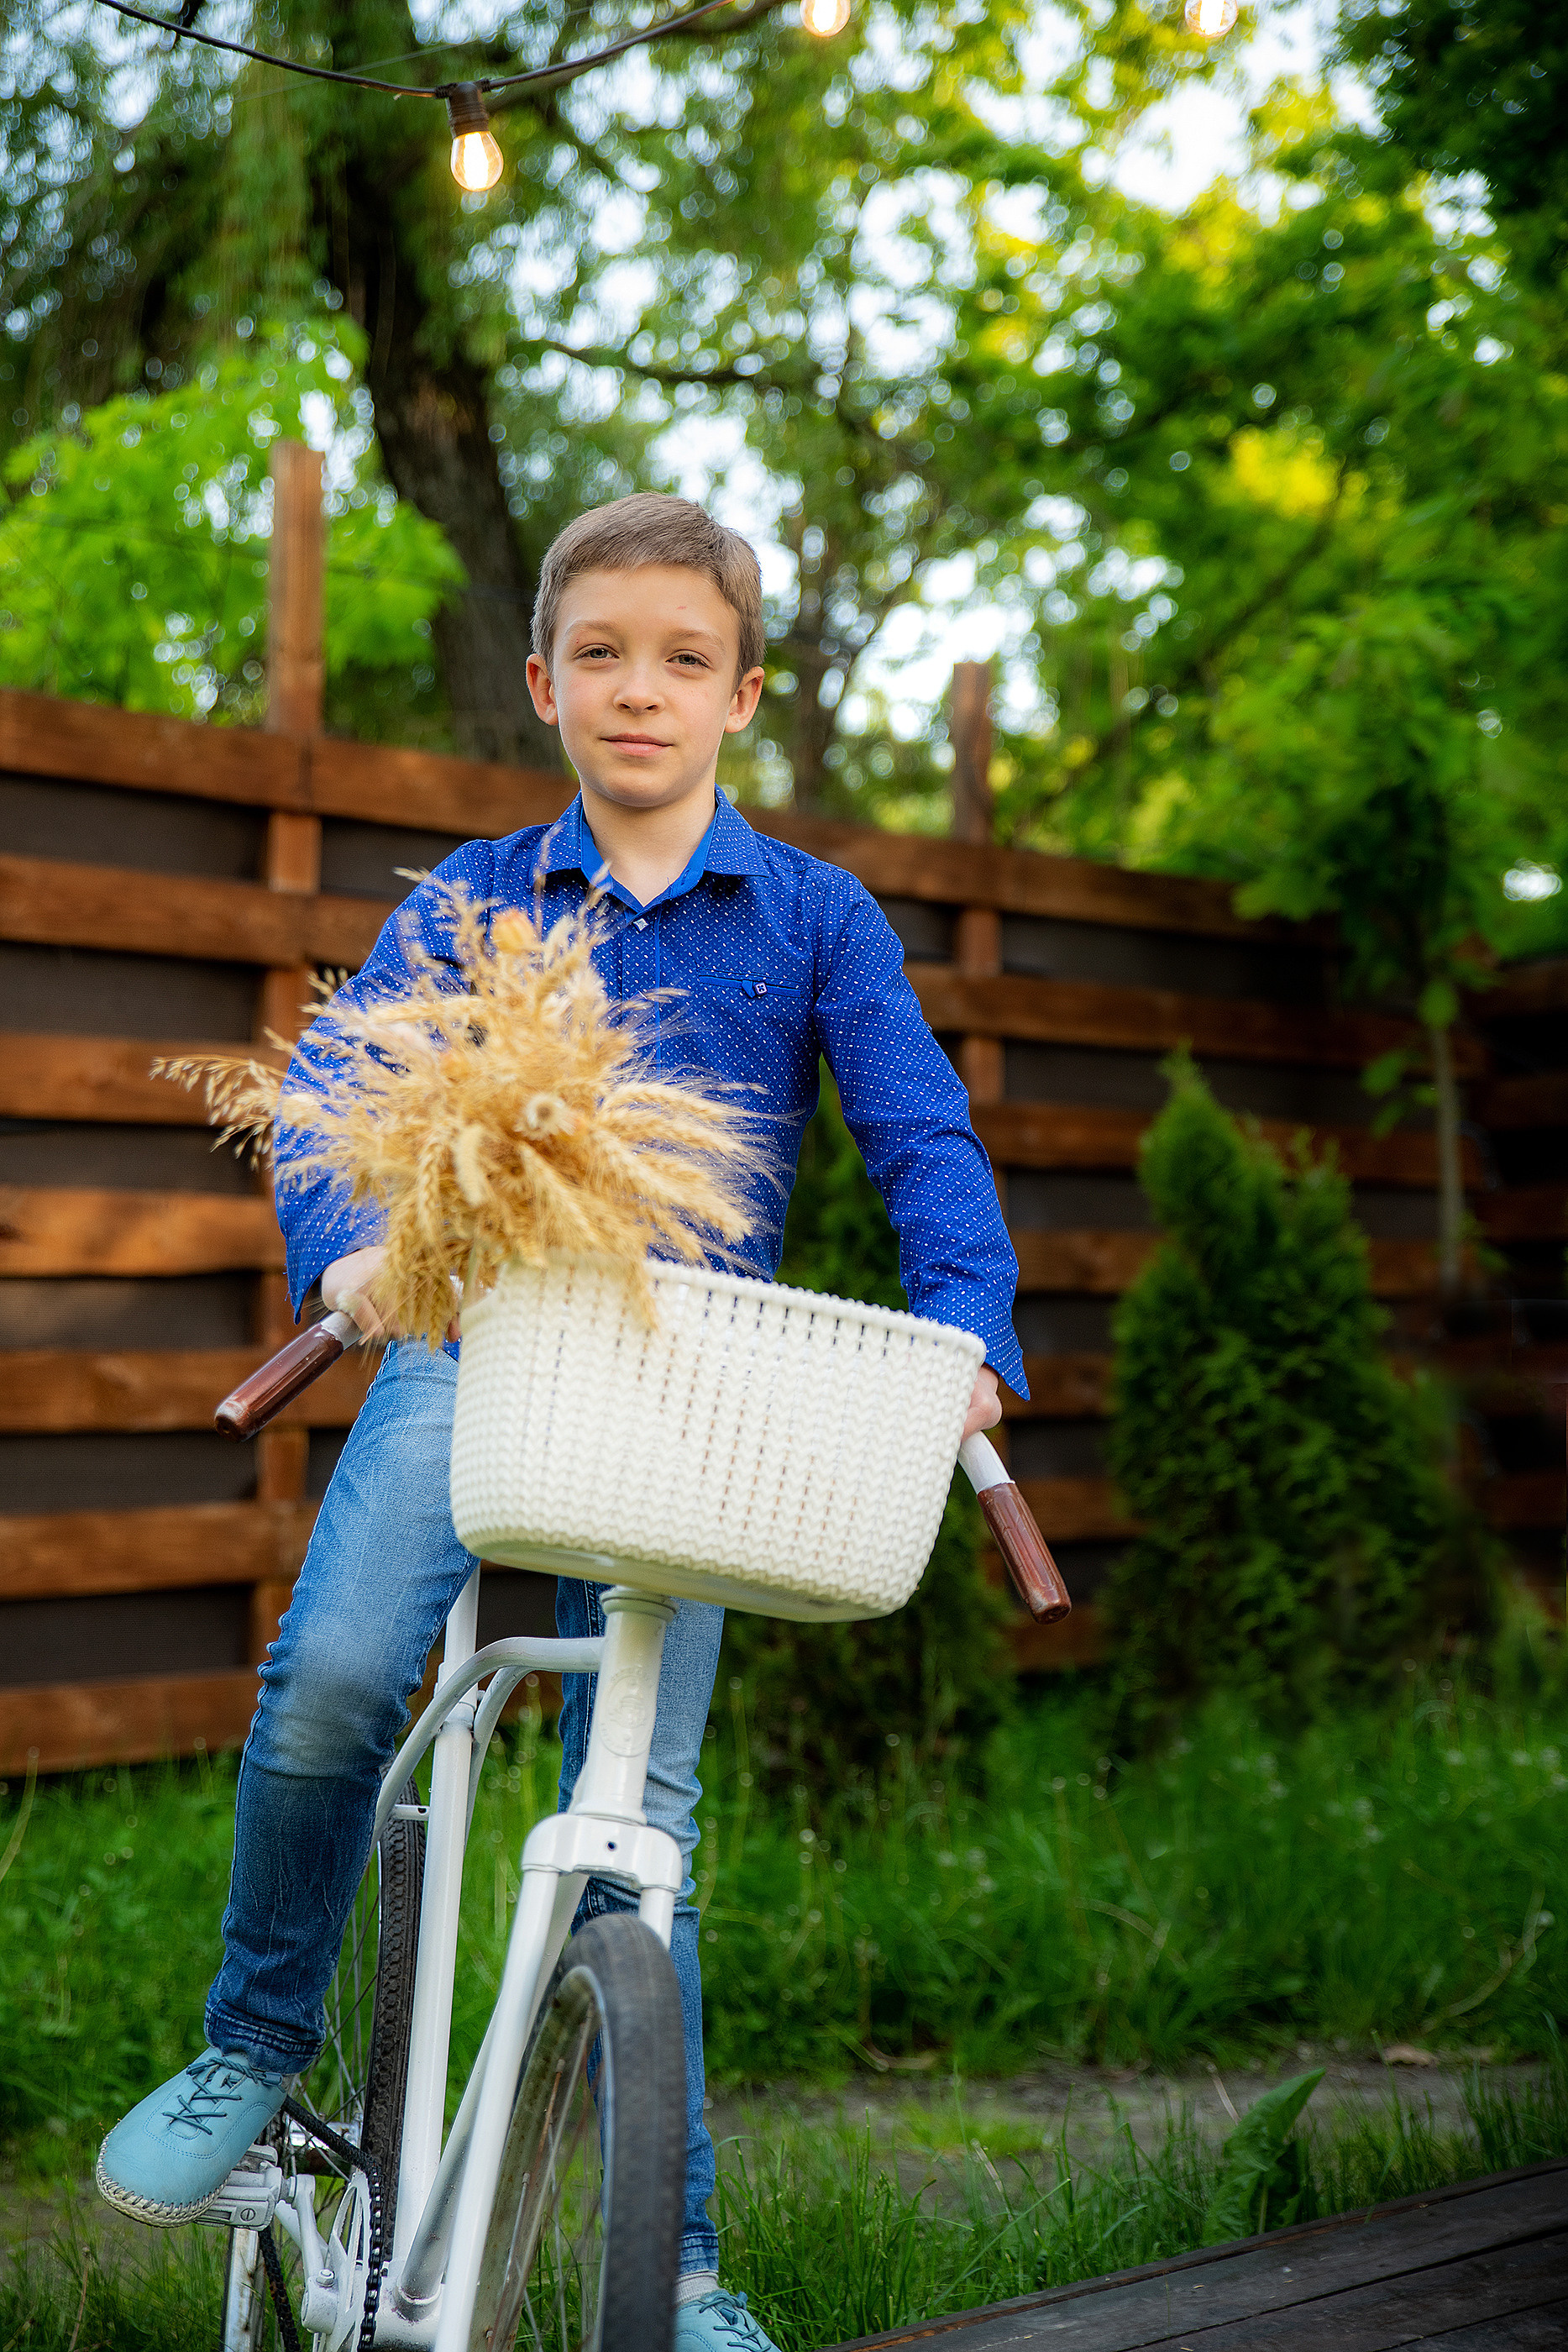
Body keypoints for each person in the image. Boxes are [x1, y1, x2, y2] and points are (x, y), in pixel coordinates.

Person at [97, 491, 1028, 2350]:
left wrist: (967, 1328)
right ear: (541, 680)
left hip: (691, 1379)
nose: (639, 689)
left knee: (639, 1829)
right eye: (600, 653)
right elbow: (334, 1097)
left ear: (743, 692)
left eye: (684, 657)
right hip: (477, 1334)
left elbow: (922, 1135)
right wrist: (357, 1254)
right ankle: (262, 2044)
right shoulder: (468, 897)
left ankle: (665, 2269)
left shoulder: (819, 919)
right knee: (343, 1670)